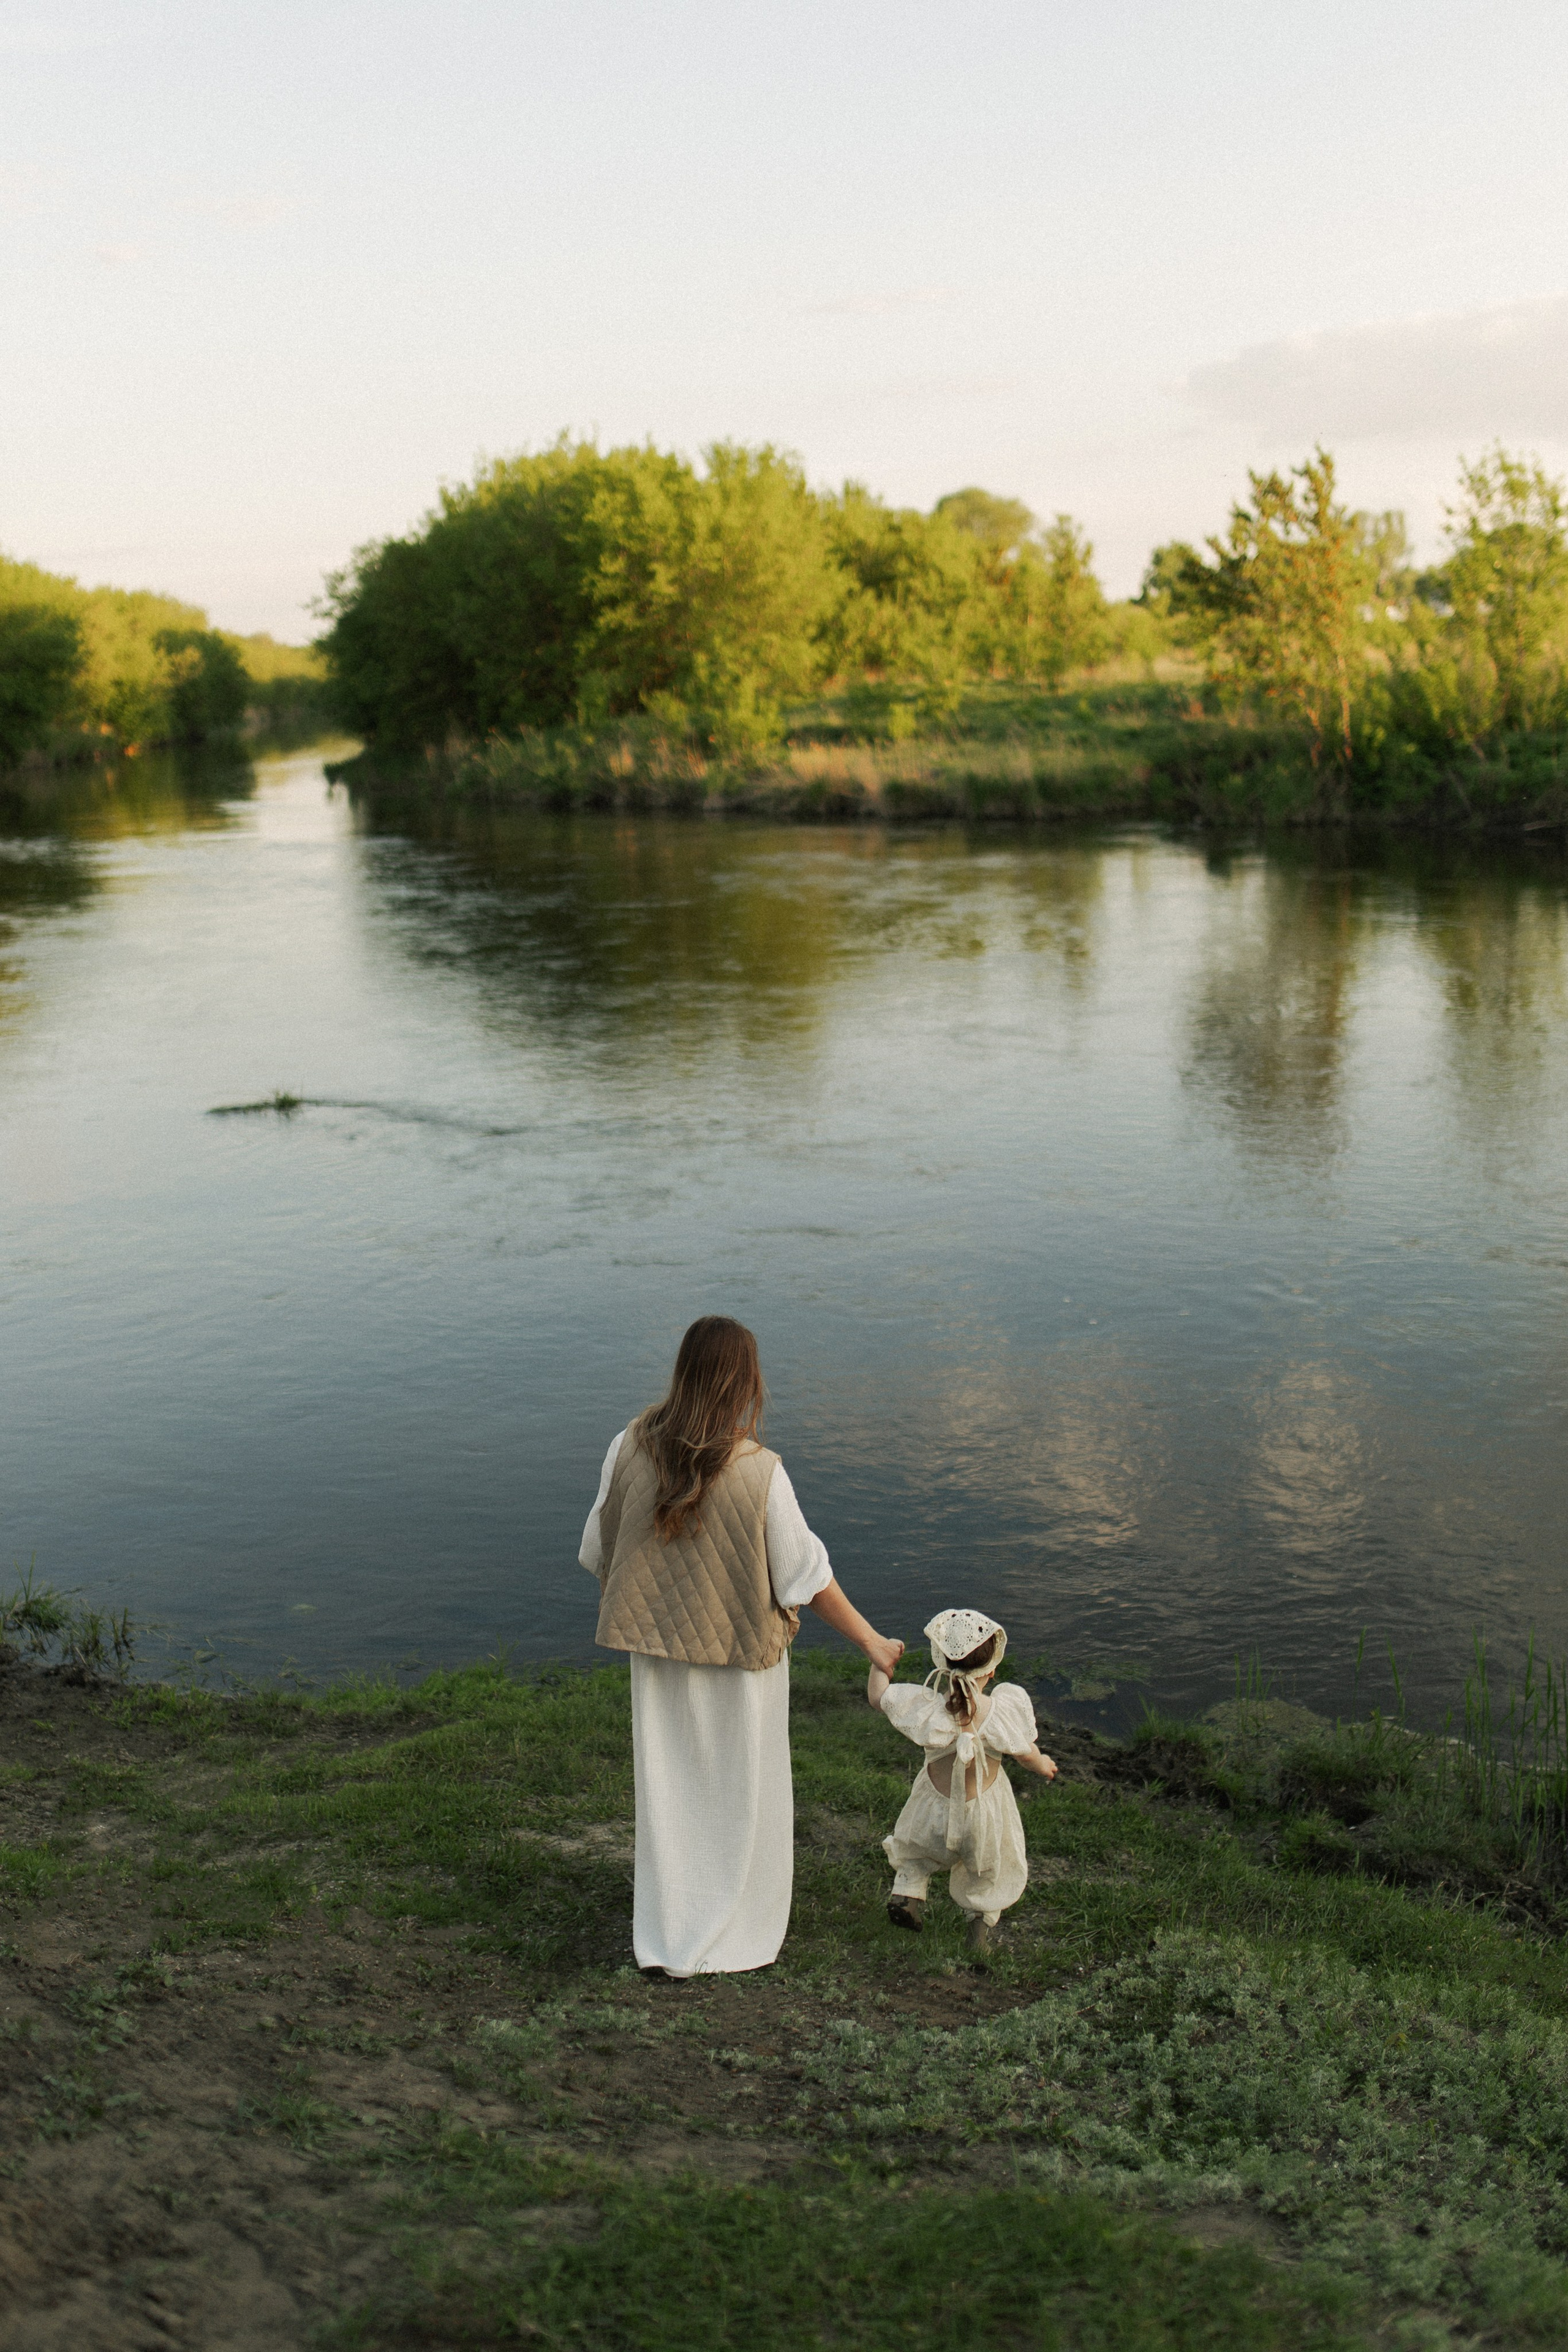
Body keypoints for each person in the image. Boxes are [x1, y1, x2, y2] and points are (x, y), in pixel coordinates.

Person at [580, 1314, 903, 1978]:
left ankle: (669, 1934)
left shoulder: (627, 1446)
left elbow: (597, 1549)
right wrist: (873, 1642)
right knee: (740, 1788)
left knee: (669, 1786)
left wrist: (660, 1595)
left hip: (656, 1654)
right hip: (739, 1662)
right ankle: (734, 1930)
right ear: (746, 1383)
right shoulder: (761, 1473)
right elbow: (805, 1577)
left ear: (684, 1371)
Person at [869, 1607, 1057, 1954]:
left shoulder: (928, 1708)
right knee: (987, 1870)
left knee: (917, 1852)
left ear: (941, 1663)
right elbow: (1026, 1753)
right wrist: (1043, 1765)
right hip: (983, 1814)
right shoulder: (1001, 1711)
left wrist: (879, 1660)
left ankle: (907, 1895)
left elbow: (879, 1698)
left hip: (932, 1810)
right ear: (993, 1669)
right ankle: (978, 1932)